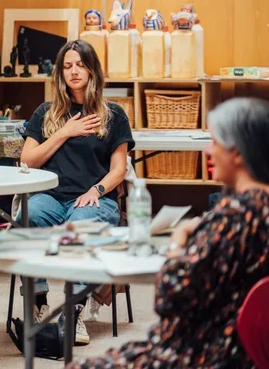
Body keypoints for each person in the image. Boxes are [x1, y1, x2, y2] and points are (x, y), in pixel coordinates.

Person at [71, 98, 269, 368]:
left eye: (215, 142)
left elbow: (170, 298)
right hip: (243, 348)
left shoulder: (233, 218)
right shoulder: (257, 210)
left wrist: (178, 243)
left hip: (205, 352)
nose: (209, 151)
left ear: (236, 152)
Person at [18, 39, 134, 345]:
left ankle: (74, 312)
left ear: (93, 70)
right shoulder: (46, 113)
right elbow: (28, 160)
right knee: (28, 215)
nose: (74, 71)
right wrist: (64, 132)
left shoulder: (113, 115)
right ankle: (38, 301)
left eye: (80, 64)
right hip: (52, 197)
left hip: (95, 199)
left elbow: (119, 169)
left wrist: (97, 189)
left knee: (82, 225)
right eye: (67, 66)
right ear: (60, 74)